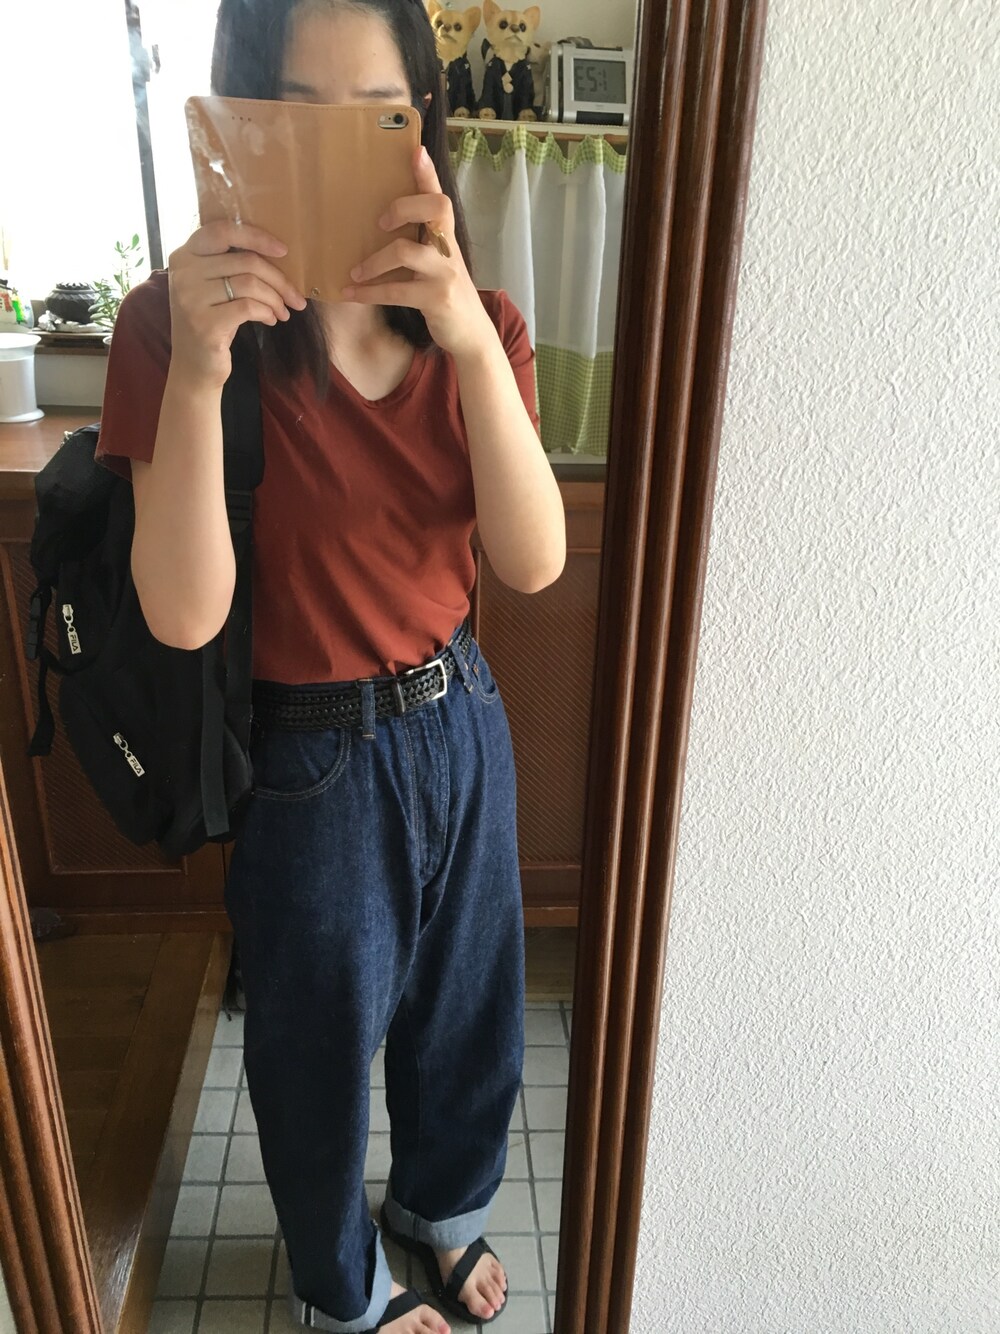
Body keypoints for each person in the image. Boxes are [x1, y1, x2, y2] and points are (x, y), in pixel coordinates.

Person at [94, 1, 565, 1330]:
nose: (336, 156)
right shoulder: (170, 327)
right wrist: (198, 372)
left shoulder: (481, 323)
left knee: (469, 1010)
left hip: (460, 716)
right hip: (308, 760)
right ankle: (342, 1288)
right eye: (293, 118)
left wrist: (463, 333)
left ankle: (441, 1207)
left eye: (377, 117)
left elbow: (532, 561)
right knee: (312, 1051)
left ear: (424, 126)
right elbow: (182, 615)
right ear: (235, 125)